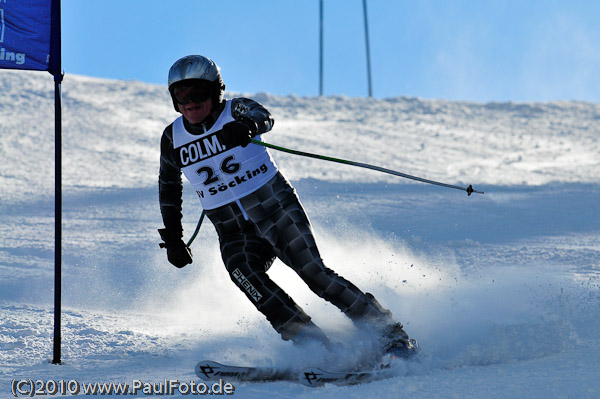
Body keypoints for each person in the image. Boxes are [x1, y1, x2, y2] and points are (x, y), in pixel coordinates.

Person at [158, 55, 416, 361]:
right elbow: (169, 188)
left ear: (215, 91)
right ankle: (312, 344)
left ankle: (389, 333)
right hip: (233, 230)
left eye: (198, 93)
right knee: (244, 274)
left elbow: (263, 116)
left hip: (275, 209)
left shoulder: (234, 110)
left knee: (314, 274)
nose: (190, 102)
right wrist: (174, 238)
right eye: (181, 95)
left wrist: (248, 127)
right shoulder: (173, 137)